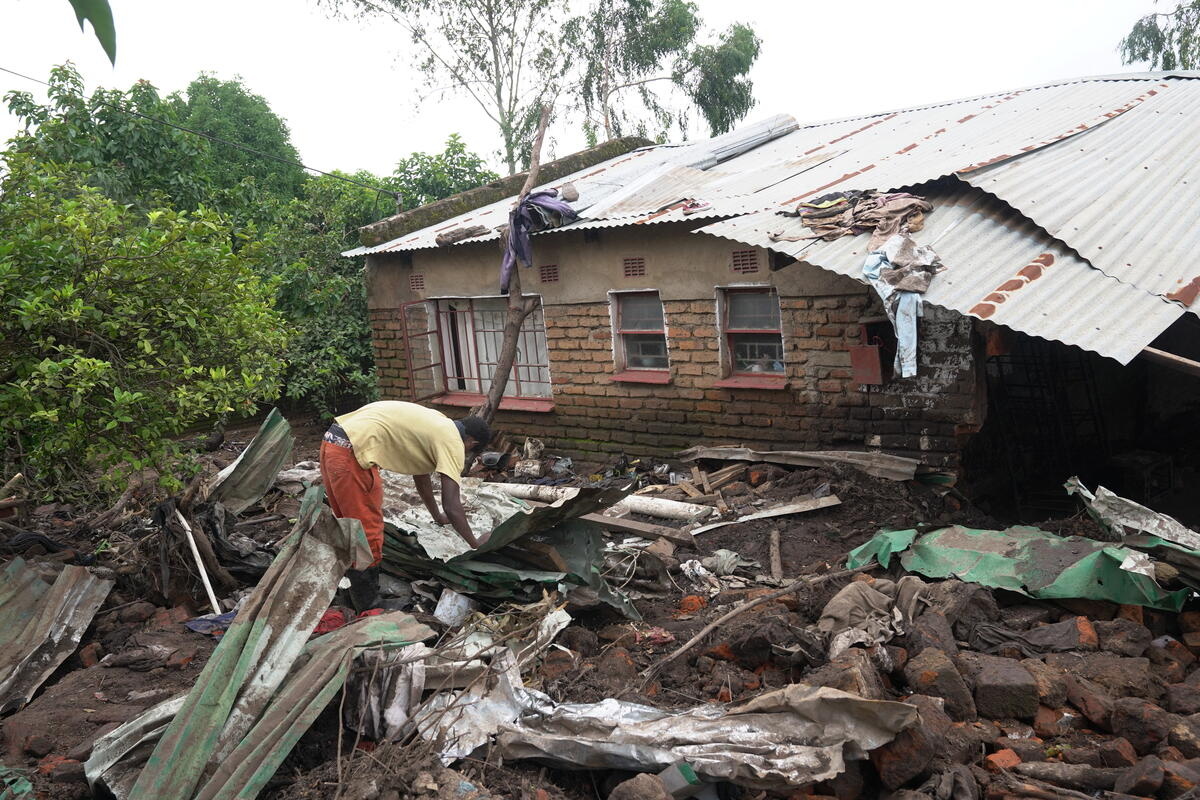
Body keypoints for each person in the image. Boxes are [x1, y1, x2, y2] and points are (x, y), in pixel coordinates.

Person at [319, 400, 492, 609]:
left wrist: (437, 516)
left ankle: (354, 594)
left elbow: (421, 477)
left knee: (348, 525)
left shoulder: (438, 424)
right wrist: (475, 544)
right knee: (365, 531)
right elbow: (452, 505)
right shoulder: (452, 441)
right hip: (351, 454)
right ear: (471, 443)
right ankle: (369, 605)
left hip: (333, 443)